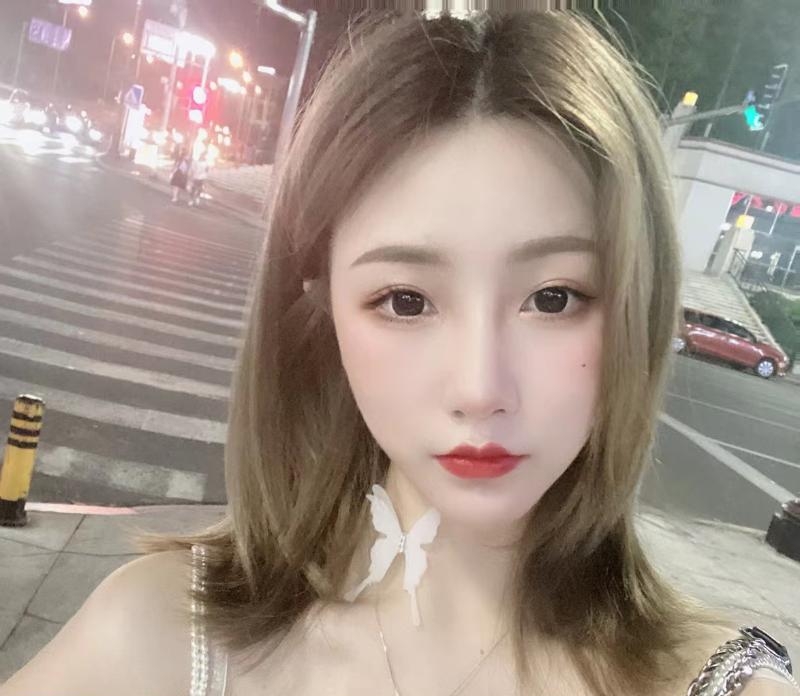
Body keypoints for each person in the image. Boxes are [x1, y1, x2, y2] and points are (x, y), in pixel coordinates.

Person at [2, 11, 797, 696]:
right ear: (322, 315)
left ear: (637, 309)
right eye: (406, 301)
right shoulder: (158, 642)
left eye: (554, 298)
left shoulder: (718, 685)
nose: (479, 387)